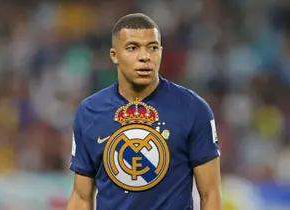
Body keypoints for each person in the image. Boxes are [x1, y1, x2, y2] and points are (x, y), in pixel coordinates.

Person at [66, 13, 222, 210]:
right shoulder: (89, 112)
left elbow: (210, 194)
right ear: (114, 55)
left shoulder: (194, 109)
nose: (145, 57)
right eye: (132, 48)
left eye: (153, 48)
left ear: (161, 52)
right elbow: (81, 197)